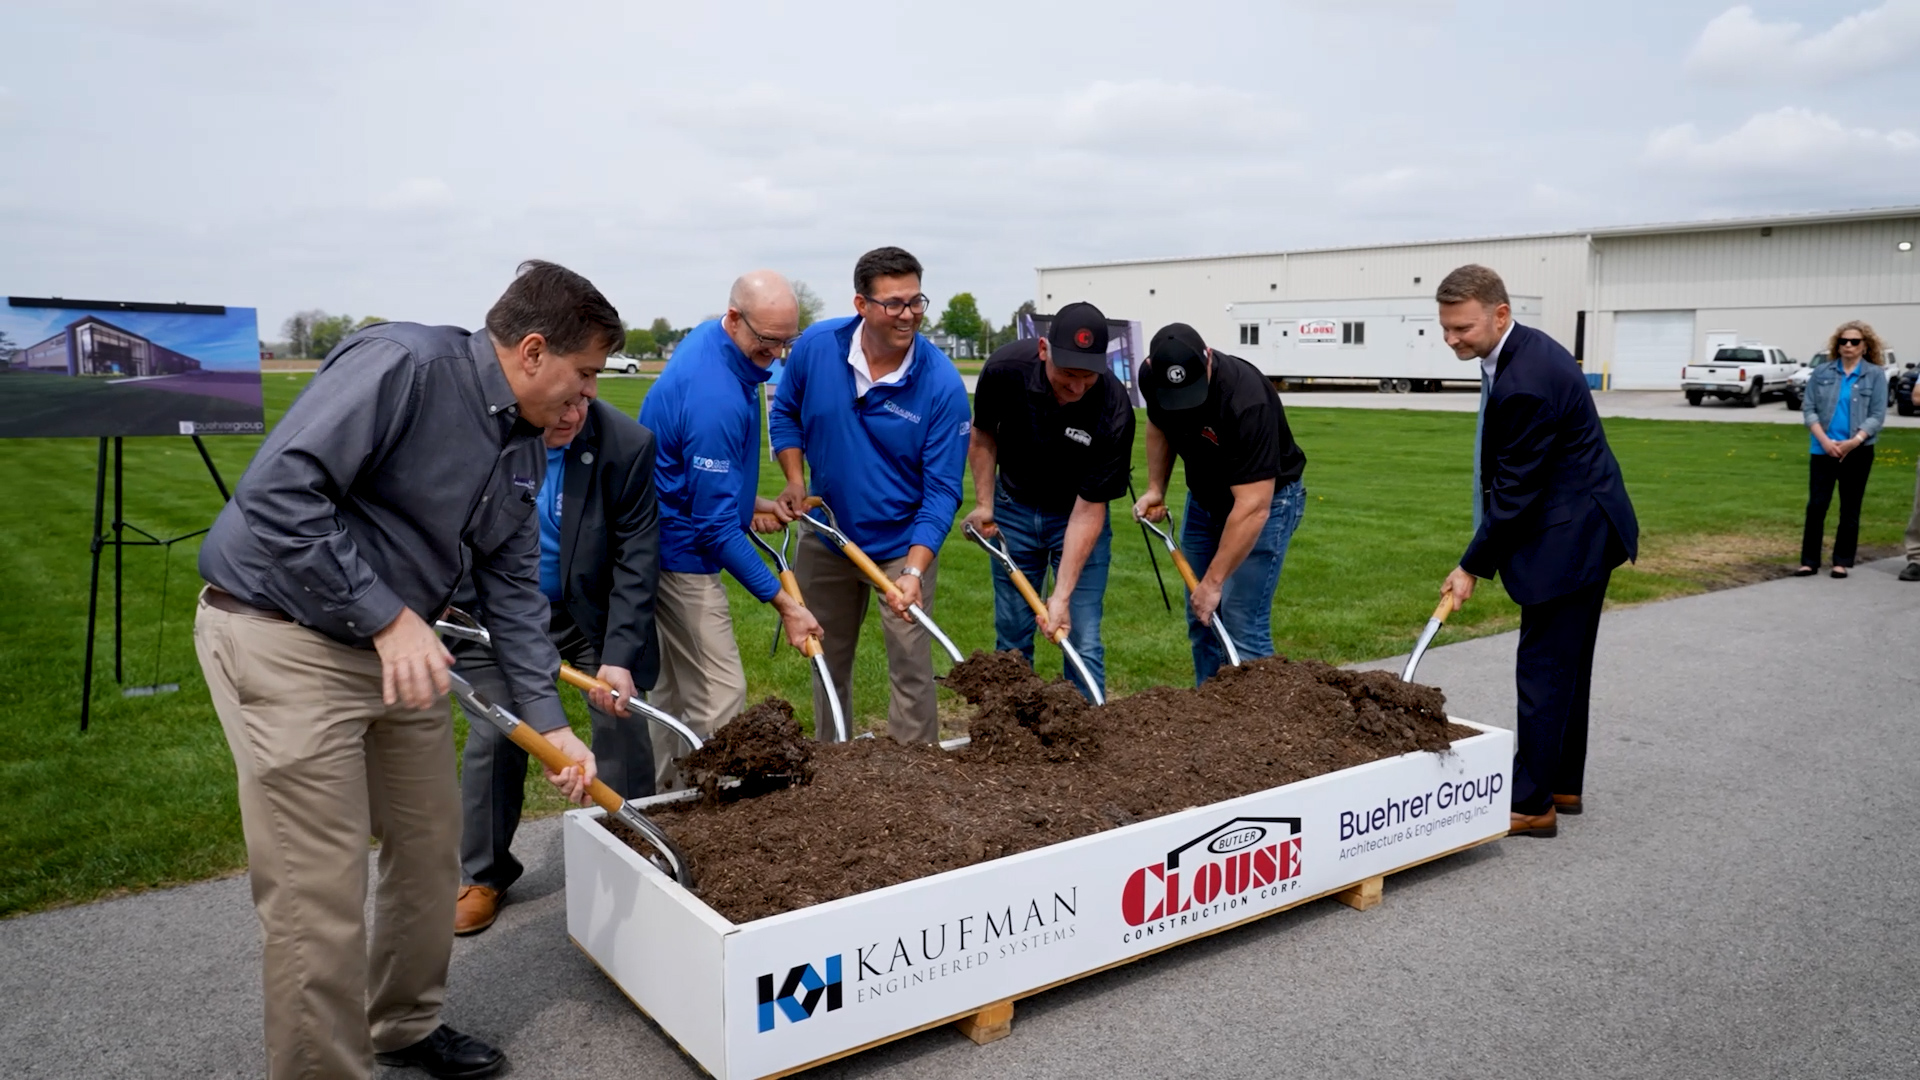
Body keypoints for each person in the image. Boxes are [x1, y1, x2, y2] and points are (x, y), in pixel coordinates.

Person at [193, 259, 618, 1079]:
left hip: (400, 653)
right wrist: (389, 617)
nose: (589, 396)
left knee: (429, 850)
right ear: (533, 351)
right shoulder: (403, 365)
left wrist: (554, 726)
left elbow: (514, 592)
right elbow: (280, 491)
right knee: (317, 886)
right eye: (585, 374)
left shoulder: (526, 446)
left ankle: (404, 1026)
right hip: (285, 635)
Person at [1432, 263, 1638, 839]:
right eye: (1445, 328)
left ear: (1500, 314)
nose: (1453, 339)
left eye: (1463, 328)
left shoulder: (1525, 380)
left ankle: (1531, 804)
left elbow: (1517, 491)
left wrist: (1472, 563)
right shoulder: (1523, 352)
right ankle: (1561, 785)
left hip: (1570, 537)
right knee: (1567, 668)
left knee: (1544, 671)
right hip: (1585, 523)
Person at [452, 395, 660, 936]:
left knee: (622, 715)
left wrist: (617, 658)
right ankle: (484, 875)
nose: (571, 415)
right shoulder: (478, 433)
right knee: (498, 734)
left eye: (583, 400)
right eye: (560, 402)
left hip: (588, 611)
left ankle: (635, 852)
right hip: (492, 612)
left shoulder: (626, 445)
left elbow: (636, 558)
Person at [771, 247, 969, 742]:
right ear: (861, 304)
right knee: (826, 659)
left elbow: (944, 490)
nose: (909, 315)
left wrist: (915, 569)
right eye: (895, 303)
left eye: (917, 301)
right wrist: (796, 479)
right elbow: (785, 414)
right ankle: (834, 768)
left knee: (910, 666)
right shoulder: (817, 347)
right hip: (827, 534)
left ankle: (915, 776)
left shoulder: (941, 384)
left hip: (902, 544)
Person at [640, 272, 825, 779]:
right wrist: (787, 606)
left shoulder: (712, 340)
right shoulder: (715, 396)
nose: (778, 354)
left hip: (669, 532)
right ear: (735, 317)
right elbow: (715, 531)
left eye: (788, 341)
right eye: (768, 341)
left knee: (674, 693)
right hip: (682, 556)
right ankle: (715, 810)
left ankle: (665, 796)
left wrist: (751, 503)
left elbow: (694, 477)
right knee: (722, 693)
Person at [965, 301, 1135, 701]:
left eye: (1088, 376)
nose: (1077, 388)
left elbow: (1089, 509)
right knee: (1011, 633)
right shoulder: (1005, 370)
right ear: (1043, 349)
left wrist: (1060, 597)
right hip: (1013, 506)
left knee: (1082, 633)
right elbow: (983, 435)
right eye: (1068, 375)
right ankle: (1009, 728)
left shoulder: (1113, 409)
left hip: (1073, 512)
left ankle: (1084, 730)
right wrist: (985, 504)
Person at [1133, 322, 1308, 686]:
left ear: (1208, 357)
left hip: (1266, 504)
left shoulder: (1247, 399)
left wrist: (1213, 582)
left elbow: (1253, 506)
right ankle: (1212, 723)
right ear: (1151, 367)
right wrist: (1155, 489)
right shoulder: (1151, 378)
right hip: (1204, 501)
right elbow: (1158, 425)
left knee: (1243, 622)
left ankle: (1261, 728)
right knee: (1202, 620)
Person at [1797, 321, 1888, 579]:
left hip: (1857, 450)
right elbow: (1809, 409)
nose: (1848, 345)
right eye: (1843, 341)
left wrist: (1854, 441)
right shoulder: (1822, 372)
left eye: (1854, 341)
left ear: (1865, 346)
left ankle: (1841, 560)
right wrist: (1825, 441)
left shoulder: (1874, 374)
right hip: (1823, 448)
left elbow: (1877, 415)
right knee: (1816, 505)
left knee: (1850, 507)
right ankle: (1809, 561)